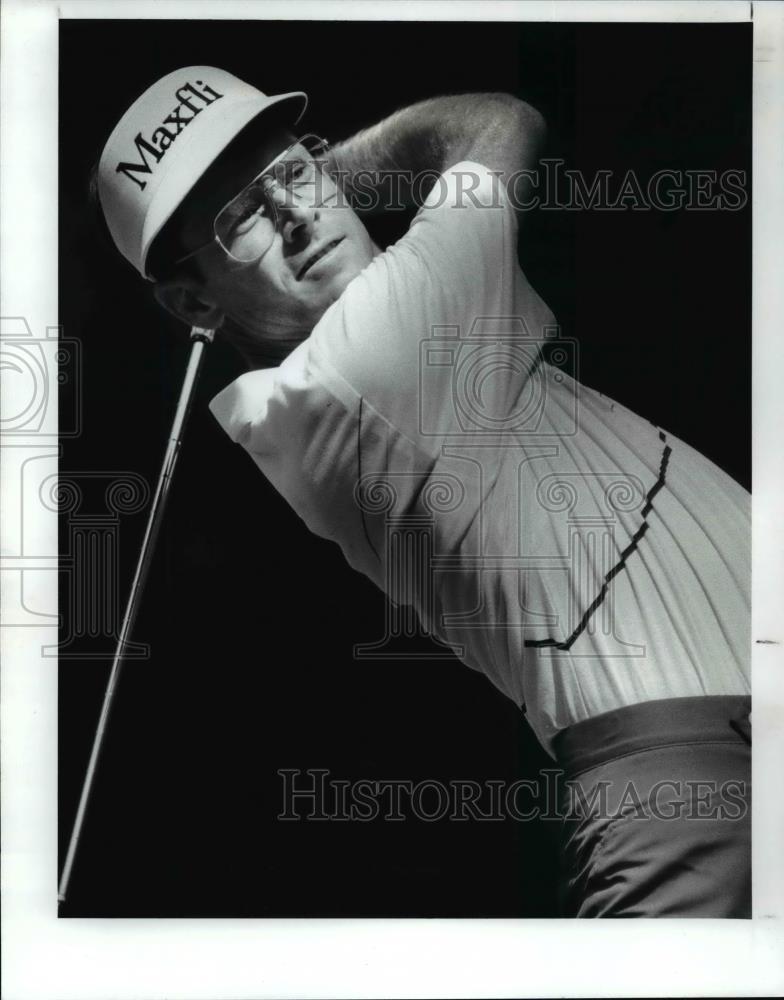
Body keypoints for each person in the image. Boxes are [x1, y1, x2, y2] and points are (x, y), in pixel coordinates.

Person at [96, 66, 751, 917]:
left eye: (293, 172)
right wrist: (343, 168)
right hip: (693, 786)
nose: (297, 215)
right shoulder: (376, 353)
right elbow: (496, 124)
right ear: (193, 299)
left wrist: (305, 178)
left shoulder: (350, 363)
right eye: (242, 219)